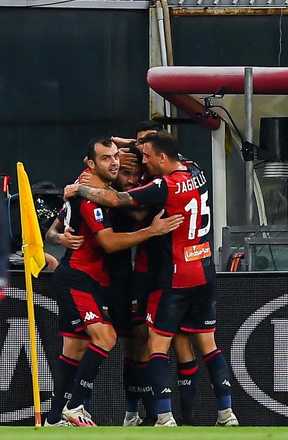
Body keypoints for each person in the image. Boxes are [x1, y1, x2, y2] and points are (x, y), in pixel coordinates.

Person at [64, 130, 239, 428]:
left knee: (157, 344)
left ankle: (165, 417)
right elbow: (165, 151)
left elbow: (117, 199)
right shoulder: (196, 169)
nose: (142, 162)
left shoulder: (164, 186)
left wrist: (79, 189)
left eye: (146, 156)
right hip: (205, 269)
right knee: (207, 345)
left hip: (176, 274)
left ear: (160, 157)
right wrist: (129, 144)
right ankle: (226, 414)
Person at [45, 136, 184, 427]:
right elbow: (102, 241)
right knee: (105, 339)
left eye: (115, 158)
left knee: (79, 349)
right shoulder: (90, 196)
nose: (115, 164)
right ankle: (75, 407)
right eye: (107, 160)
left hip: (105, 281)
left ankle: (55, 417)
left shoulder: (100, 190)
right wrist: (153, 231)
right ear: (91, 163)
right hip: (79, 277)